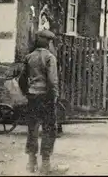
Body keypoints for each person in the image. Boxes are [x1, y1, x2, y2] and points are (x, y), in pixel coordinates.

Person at [18, 30, 69, 174]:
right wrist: (54, 96)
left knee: (32, 128)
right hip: (46, 98)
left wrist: (27, 92)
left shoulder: (29, 57)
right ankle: (45, 165)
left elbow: (22, 79)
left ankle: (31, 163)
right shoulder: (49, 58)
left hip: (33, 97)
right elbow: (52, 81)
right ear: (49, 42)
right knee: (49, 129)